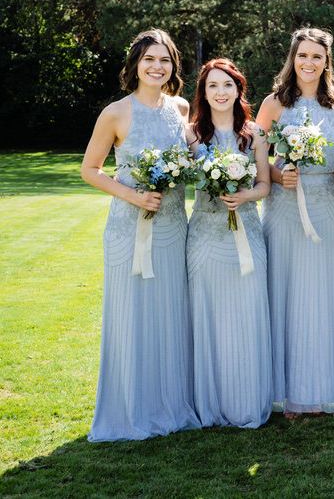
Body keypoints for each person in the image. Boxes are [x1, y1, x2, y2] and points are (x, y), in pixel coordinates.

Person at [81, 28, 199, 441]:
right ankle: (129, 409)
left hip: (171, 228)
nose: (157, 66)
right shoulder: (116, 112)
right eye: (149, 59)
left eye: (165, 60)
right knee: (132, 317)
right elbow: (90, 170)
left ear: (173, 67)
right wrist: (132, 195)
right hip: (128, 229)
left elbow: (196, 160)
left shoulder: (182, 108)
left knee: (170, 315)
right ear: (135, 64)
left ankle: (169, 403)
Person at [256, 27, 334, 416]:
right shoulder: (274, 103)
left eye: (317, 56)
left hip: (329, 207)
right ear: (292, 58)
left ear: (327, 60)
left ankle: (323, 388)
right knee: (286, 294)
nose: (309, 63)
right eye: (303, 56)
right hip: (284, 208)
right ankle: (287, 393)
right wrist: (280, 176)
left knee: (325, 294)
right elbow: (255, 156)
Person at [186, 58, 273, 428]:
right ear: (203, 93)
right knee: (207, 315)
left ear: (239, 89)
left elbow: (265, 186)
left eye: (227, 85)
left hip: (247, 232)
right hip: (205, 234)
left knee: (245, 313)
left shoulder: (255, 133)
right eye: (212, 86)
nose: (220, 93)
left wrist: (244, 198)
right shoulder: (190, 134)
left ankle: (246, 400)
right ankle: (210, 403)